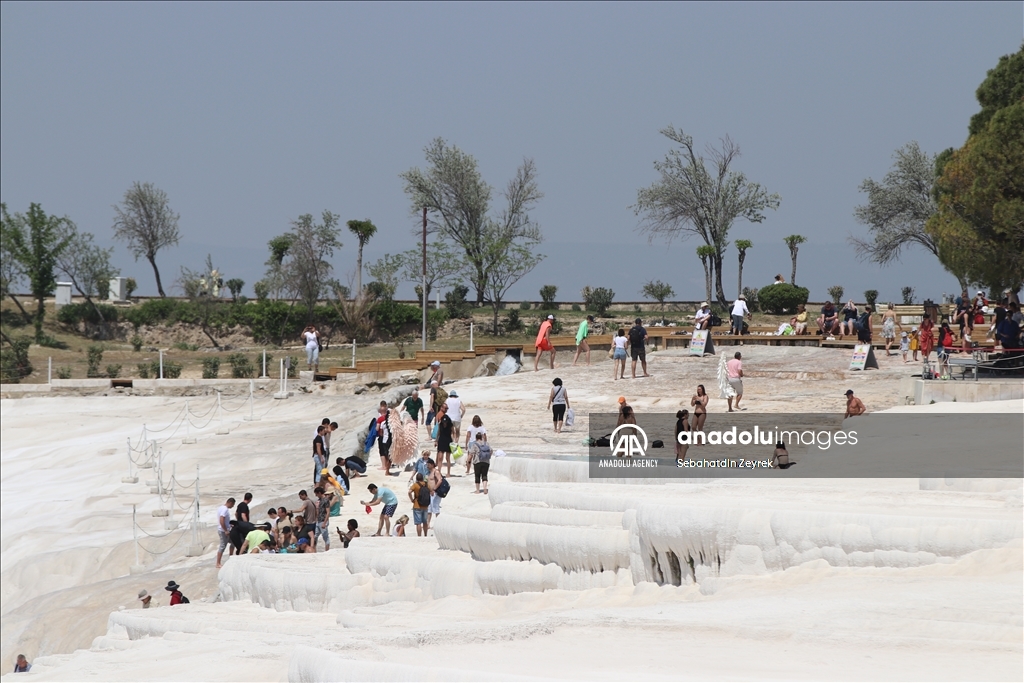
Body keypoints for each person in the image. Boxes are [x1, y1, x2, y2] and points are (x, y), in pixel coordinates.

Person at [435, 403, 454, 477]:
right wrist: (436, 440)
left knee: (447, 458)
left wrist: (454, 441)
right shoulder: (441, 424)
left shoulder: (450, 425)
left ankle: (448, 472)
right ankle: (439, 472)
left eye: (446, 422)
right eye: (444, 422)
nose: (445, 423)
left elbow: (453, 432)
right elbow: (438, 433)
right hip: (441, 440)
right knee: (440, 457)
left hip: (448, 440)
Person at [313, 486, 335, 551]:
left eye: (316, 494)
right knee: (315, 536)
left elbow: (328, 512)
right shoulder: (318, 500)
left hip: (323, 521)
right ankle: (314, 549)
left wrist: (325, 523)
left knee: (325, 537)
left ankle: (327, 550)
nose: (316, 495)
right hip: (318, 520)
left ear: (319, 493)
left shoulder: (325, 500)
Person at [375, 401, 393, 474]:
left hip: (384, 438)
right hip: (391, 437)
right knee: (388, 452)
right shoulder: (391, 418)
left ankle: (384, 466)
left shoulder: (381, 419)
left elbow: (378, 429)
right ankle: (387, 466)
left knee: (383, 452)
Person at [216, 497, 235, 567]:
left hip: (224, 529)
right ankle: (218, 563)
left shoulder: (221, 507)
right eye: (232, 505)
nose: (232, 506)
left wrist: (229, 525)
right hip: (223, 531)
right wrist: (226, 530)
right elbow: (221, 520)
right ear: (230, 503)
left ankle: (231, 558)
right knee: (222, 546)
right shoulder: (225, 509)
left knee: (233, 542)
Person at [426, 458, 443, 525]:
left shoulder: (436, 472)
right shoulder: (430, 472)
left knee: (436, 507)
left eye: (428, 464)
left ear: (432, 465)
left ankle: (439, 524)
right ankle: (428, 524)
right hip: (430, 492)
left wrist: (434, 489)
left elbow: (440, 480)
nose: (427, 466)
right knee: (429, 508)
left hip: (435, 492)